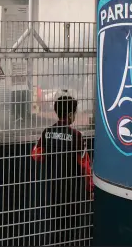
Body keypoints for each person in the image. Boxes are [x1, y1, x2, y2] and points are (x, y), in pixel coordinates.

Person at [30, 93, 93, 245]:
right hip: (72, 190)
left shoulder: (47, 132)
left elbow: (36, 155)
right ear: (71, 114)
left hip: (53, 188)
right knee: (71, 227)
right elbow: (85, 165)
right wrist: (90, 188)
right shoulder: (77, 136)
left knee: (56, 224)